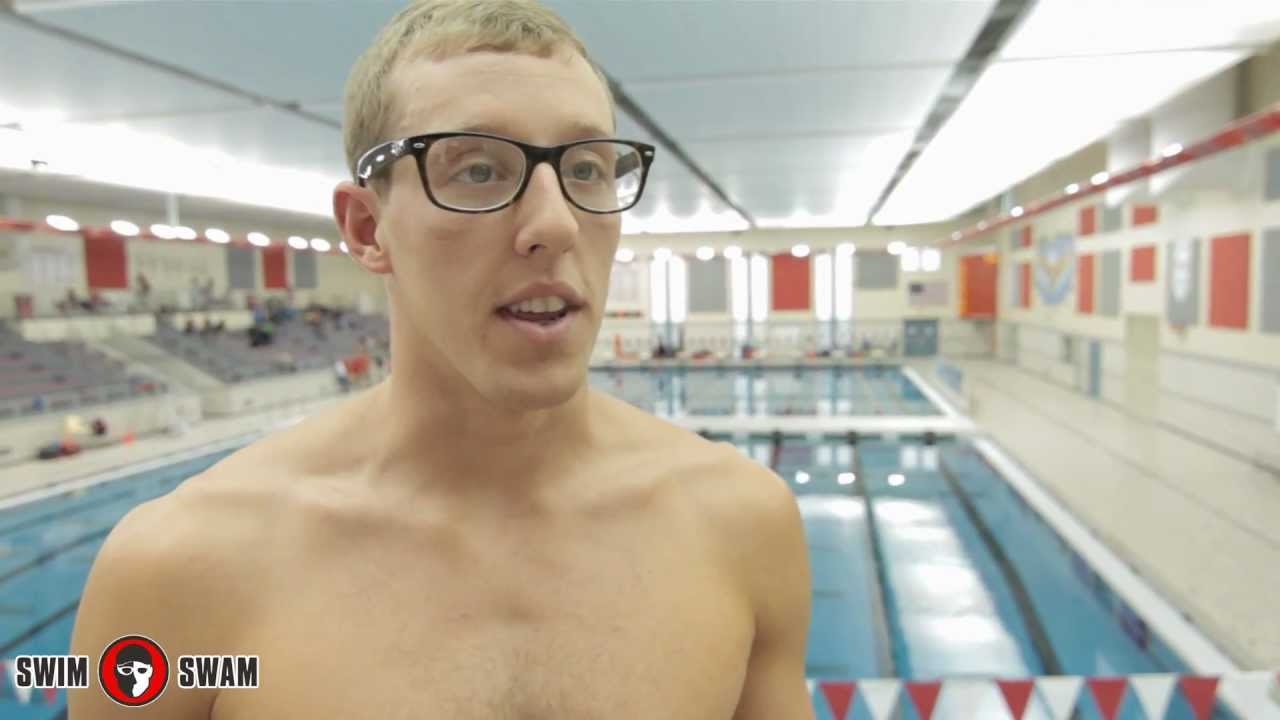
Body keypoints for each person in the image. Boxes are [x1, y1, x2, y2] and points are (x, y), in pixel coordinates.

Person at [68, 2, 812, 719]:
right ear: (368, 228)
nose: (555, 223)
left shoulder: (740, 522)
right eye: (479, 171)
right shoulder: (180, 568)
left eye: (586, 168)